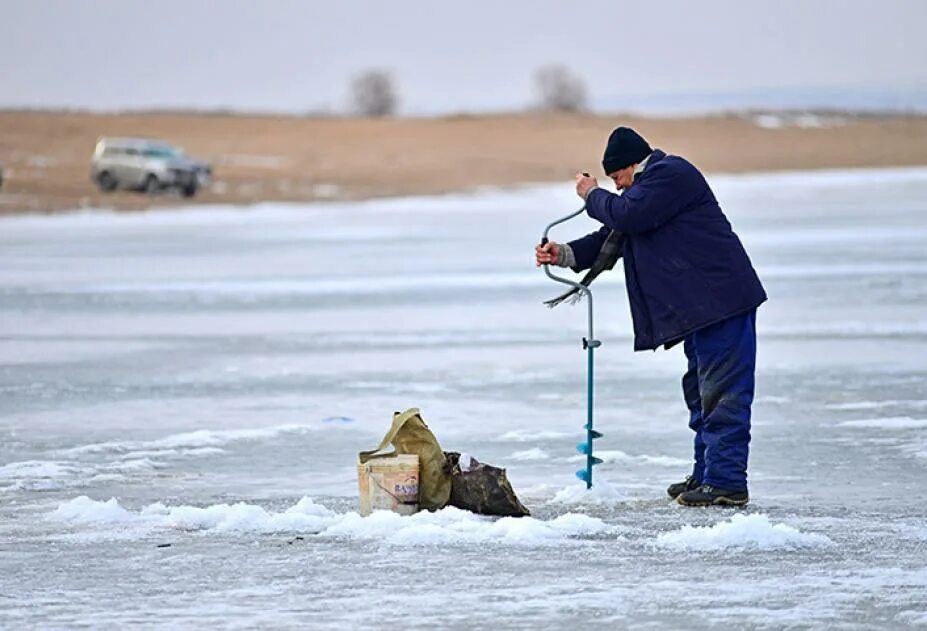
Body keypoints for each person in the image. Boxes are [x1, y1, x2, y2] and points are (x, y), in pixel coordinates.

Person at [535, 127, 766, 507]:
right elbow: (613, 233)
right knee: (700, 391)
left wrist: (592, 194)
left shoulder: (671, 175)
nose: (619, 187)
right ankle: (707, 473)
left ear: (630, 165)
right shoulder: (646, 193)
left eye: (618, 178)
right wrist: (561, 254)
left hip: (723, 302)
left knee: (723, 393)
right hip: (702, 309)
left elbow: (627, 214)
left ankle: (726, 482)